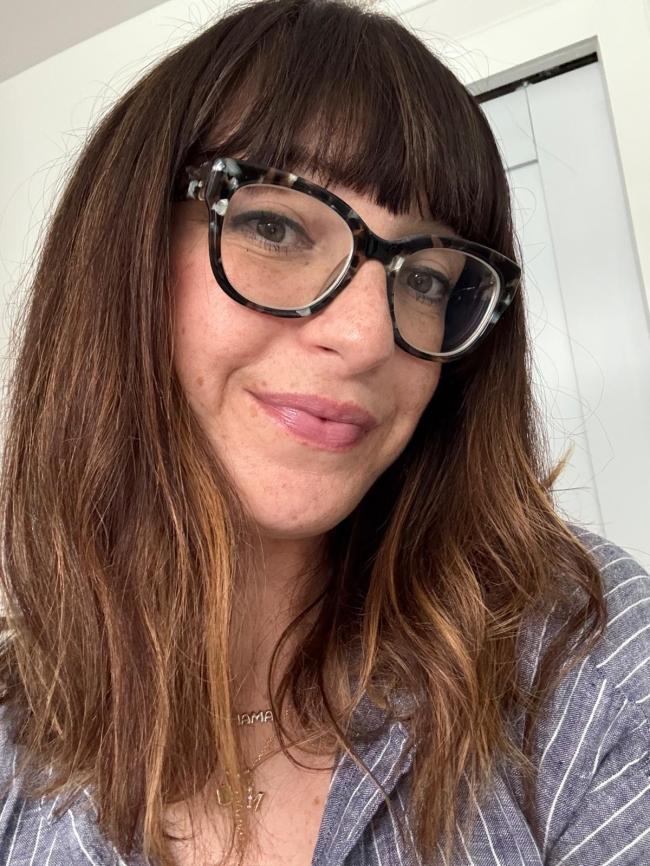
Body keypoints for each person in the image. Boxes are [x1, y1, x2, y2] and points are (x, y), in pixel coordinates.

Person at [1, 0, 649, 864]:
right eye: (275, 227)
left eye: (427, 278)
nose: (368, 338)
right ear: (126, 253)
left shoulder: (582, 661)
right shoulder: (16, 753)